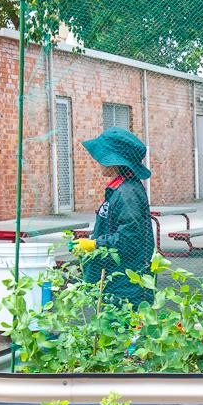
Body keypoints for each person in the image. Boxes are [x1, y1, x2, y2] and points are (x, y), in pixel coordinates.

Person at [72, 127, 154, 307]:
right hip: (116, 279)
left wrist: (95, 244)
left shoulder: (127, 193)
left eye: (102, 157)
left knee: (124, 331)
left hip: (126, 285)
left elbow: (130, 237)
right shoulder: (119, 188)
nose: (98, 161)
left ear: (115, 162)